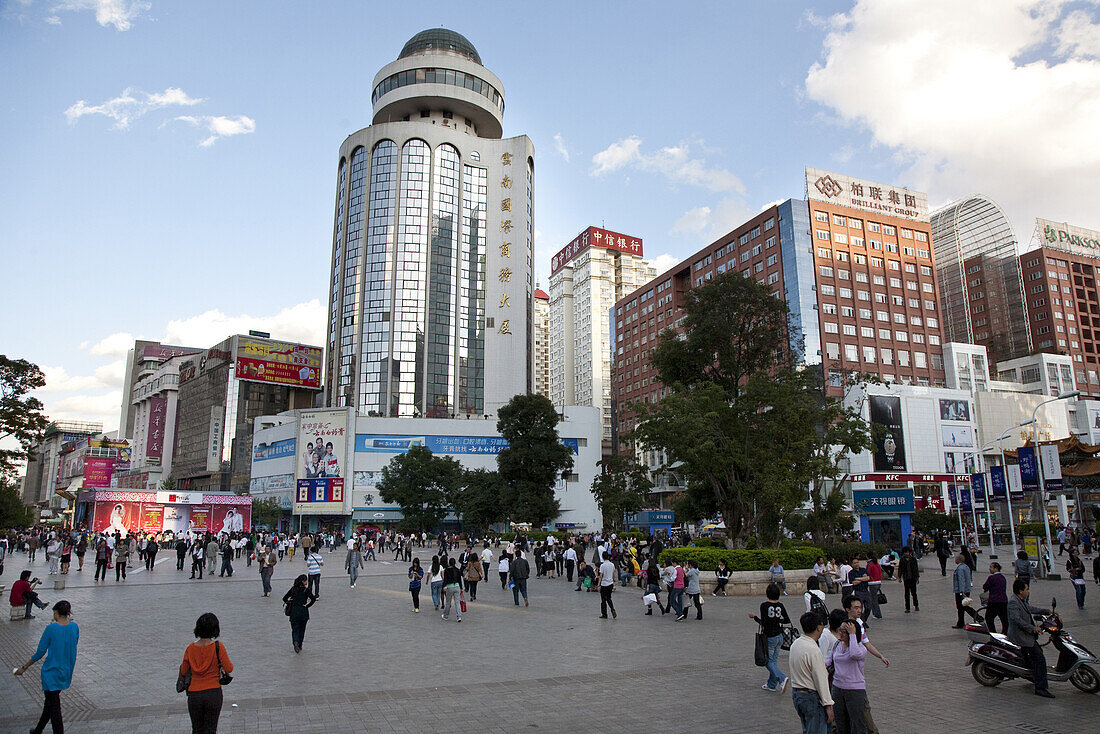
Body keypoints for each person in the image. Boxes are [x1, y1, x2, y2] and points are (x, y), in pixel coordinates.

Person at [13, 600, 78, 734]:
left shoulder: (51, 629)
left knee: (54, 708)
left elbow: (40, 652)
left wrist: (24, 668)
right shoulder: (74, 627)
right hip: (65, 672)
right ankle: (37, 731)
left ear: (56, 612)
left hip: (51, 674)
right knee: (50, 704)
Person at [180, 612, 232, 734]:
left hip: (194, 694)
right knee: (210, 729)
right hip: (213, 692)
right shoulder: (218, 647)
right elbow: (229, 668)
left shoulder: (190, 648)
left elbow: (183, 670)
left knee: (197, 729)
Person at [789, 612, 834, 734]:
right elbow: (821, 678)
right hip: (810, 696)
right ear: (818, 627)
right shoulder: (813, 650)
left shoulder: (796, 644)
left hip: (797, 694)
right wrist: (828, 705)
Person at [1008, 579, 1054, 698]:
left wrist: (1047, 611)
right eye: (1027, 589)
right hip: (1021, 637)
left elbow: (1031, 609)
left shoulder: (1021, 600)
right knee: (1040, 659)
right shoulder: (1013, 602)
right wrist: (1033, 628)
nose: (1028, 591)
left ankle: (1032, 676)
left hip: (1026, 635)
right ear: (1020, 591)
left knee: (1032, 657)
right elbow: (1017, 620)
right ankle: (1040, 688)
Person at [749, 582, 790, 693]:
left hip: (770, 636)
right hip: (780, 636)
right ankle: (771, 685)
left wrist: (754, 617)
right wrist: (778, 620)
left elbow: (763, 622)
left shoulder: (764, 606)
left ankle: (781, 678)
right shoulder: (781, 606)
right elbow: (787, 620)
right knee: (773, 661)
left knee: (767, 661)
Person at [830, 615, 868, 734]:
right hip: (838, 689)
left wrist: (852, 635)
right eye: (839, 630)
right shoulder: (837, 645)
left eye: (844, 631)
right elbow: (829, 661)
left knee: (858, 725)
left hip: (854, 690)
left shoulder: (860, 648)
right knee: (841, 724)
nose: (840, 633)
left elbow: (854, 654)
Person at [282, 575, 316, 653]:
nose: (307, 582)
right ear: (303, 581)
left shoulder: (293, 589)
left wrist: (289, 602)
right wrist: (307, 605)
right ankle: (299, 645)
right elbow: (313, 599)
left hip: (294, 612)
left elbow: (284, 598)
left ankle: (295, 642)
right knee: (302, 630)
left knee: (295, 630)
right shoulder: (306, 590)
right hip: (303, 612)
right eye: (306, 580)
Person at [952, 553, 982, 629]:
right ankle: (960, 622)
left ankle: (977, 617)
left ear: (959, 560)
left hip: (961, 591)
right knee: (962, 607)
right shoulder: (966, 567)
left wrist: (962, 592)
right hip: (966, 589)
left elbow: (961, 580)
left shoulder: (960, 569)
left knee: (962, 607)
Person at [982, 561, 1009, 634]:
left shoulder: (991, 578)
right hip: (1003, 600)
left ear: (996, 568)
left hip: (994, 601)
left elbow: (985, 587)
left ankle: (993, 633)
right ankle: (1005, 632)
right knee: (1004, 618)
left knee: (989, 618)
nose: (989, 569)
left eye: (991, 567)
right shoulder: (1003, 577)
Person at [897, 546, 920, 613]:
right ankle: (907, 608)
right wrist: (899, 577)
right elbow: (900, 568)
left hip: (913, 578)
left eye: (908, 552)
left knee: (914, 593)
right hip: (906, 578)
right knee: (906, 594)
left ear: (910, 552)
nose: (907, 553)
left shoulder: (913, 559)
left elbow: (916, 569)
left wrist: (917, 578)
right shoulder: (902, 559)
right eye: (905, 552)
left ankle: (916, 605)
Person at [596, 551, 617, 619]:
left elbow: (601, 576)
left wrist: (598, 585)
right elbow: (613, 575)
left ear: (602, 557)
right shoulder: (612, 564)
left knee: (603, 600)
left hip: (604, 584)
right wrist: (613, 581)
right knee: (609, 598)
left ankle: (604, 614)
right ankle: (612, 609)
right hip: (610, 583)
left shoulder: (602, 565)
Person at [441, 557, 463, 622]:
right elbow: (460, 580)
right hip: (457, 586)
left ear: (449, 563)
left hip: (449, 587)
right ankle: (459, 616)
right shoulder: (457, 570)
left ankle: (445, 616)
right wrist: (461, 588)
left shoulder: (447, 570)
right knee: (457, 603)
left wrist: (444, 586)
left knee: (448, 602)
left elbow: (445, 580)